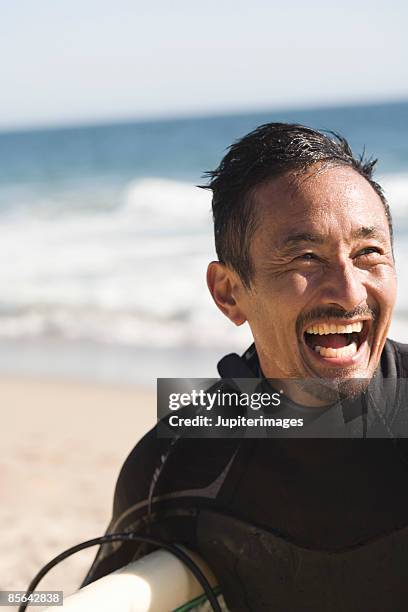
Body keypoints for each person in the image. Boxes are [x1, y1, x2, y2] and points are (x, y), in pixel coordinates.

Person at [83, 124, 408, 611]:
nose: (349, 292)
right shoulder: (174, 464)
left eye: (369, 254)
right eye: (305, 257)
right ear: (229, 293)